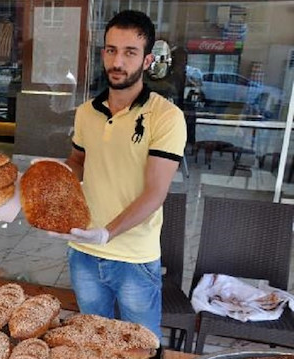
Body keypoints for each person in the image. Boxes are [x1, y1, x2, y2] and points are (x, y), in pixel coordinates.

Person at [53, 10, 187, 342]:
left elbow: (155, 193)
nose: (118, 61)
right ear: (103, 54)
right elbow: (77, 162)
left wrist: (107, 233)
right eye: (111, 50)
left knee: (140, 345)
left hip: (134, 257)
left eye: (130, 52)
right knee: (94, 342)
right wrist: (52, 180)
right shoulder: (87, 112)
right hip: (84, 252)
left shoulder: (166, 117)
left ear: (147, 60)